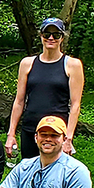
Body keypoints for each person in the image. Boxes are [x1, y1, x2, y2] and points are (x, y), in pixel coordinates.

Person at [6, 18, 84, 159]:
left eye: (56, 35)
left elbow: (75, 104)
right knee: (29, 168)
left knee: (55, 170)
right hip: (30, 129)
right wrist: (11, 134)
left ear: (62, 38)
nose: (51, 38)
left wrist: (68, 138)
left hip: (56, 131)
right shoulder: (27, 63)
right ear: (41, 36)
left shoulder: (72, 65)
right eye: (47, 34)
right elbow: (19, 101)